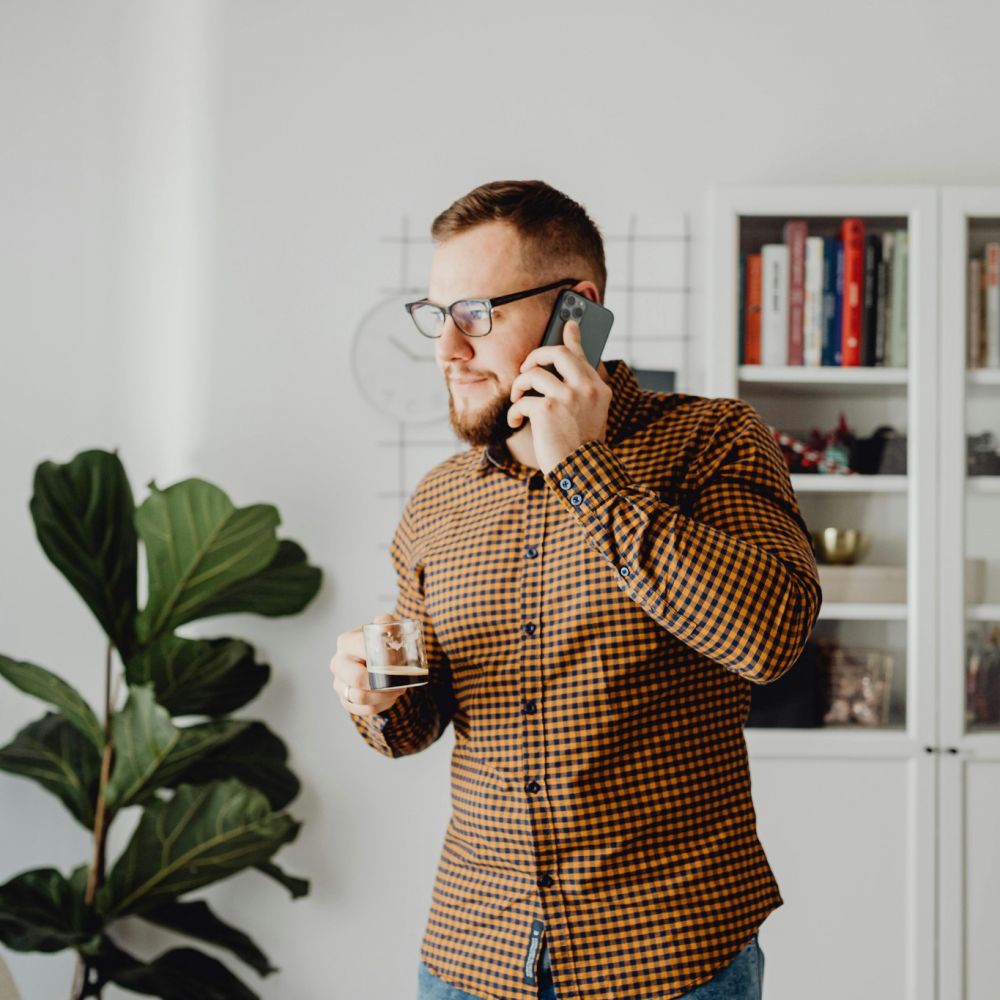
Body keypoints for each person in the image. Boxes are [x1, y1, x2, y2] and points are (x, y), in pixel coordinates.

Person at [331, 180, 822, 1000]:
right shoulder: (439, 499)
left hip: (667, 960)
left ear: (575, 310)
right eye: (435, 314)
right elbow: (423, 721)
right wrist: (374, 700)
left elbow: (769, 637)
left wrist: (582, 468)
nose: (448, 351)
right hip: (471, 957)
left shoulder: (712, 440)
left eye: (475, 315)